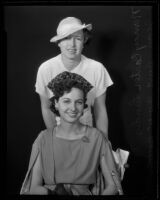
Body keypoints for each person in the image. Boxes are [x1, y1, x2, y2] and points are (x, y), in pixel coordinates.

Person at [20, 71, 123, 195]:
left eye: (78, 102)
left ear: (84, 105)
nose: (73, 108)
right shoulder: (43, 138)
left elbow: (113, 185)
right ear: (56, 103)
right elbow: (34, 188)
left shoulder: (97, 137)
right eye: (66, 101)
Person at [35, 16, 113, 140]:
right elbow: (46, 107)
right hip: (57, 134)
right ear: (58, 42)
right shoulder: (45, 69)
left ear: (84, 41)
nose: (72, 44)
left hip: (88, 136)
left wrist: (104, 143)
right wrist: (54, 140)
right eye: (66, 38)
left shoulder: (97, 69)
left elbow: (100, 109)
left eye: (78, 38)